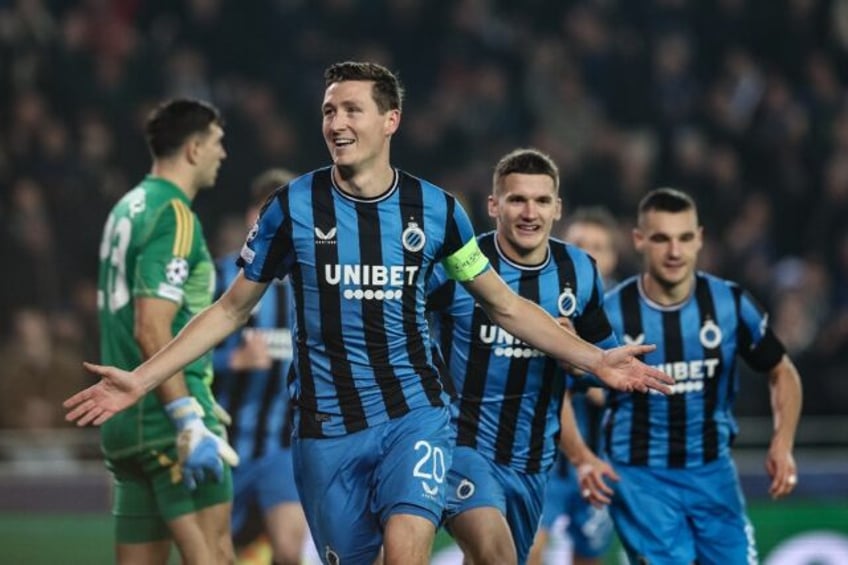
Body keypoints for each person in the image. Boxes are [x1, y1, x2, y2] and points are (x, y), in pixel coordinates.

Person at [65, 61, 672, 565]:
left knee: (407, 550)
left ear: (390, 121)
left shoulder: (436, 211)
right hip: (325, 431)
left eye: (352, 109)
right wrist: (141, 379)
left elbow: (504, 303)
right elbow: (230, 310)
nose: (337, 122)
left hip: (416, 414)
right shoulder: (291, 207)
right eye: (329, 110)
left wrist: (597, 359)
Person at [426, 148, 622, 565]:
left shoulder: (580, 272)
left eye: (541, 201)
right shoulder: (459, 265)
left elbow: (603, 365)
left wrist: (579, 362)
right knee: (497, 557)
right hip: (462, 446)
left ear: (557, 208)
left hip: (533, 463)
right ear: (493, 205)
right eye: (517, 199)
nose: (529, 212)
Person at [601, 187, 802, 563]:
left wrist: (782, 442)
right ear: (639, 240)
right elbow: (564, 388)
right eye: (661, 239)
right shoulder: (611, 315)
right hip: (642, 481)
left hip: (713, 475)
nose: (674, 252)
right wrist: (583, 457)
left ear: (700, 240)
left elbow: (782, 370)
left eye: (684, 238)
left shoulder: (729, 304)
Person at [91, 98, 237, 565]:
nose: (223, 154)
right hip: (169, 422)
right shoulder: (174, 215)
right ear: (194, 149)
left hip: (126, 427)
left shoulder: (126, 208)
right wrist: (187, 416)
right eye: (217, 143)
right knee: (215, 556)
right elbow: (151, 326)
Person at [211, 168, 307, 565]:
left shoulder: (313, 286)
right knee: (214, 555)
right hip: (221, 445)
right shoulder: (218, 278)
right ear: (254, 217)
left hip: (280, 448)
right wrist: (230, 360)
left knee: (288, 550)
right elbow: (178, 357)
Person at [527, 207, 621, 565]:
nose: (589, 253)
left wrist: (581, 359)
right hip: (543, 460)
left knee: (588, 557)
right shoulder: (538, 305)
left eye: (599, 246)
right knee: (528, 549)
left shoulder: (626, 315)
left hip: (600, 461)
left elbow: (626, 389)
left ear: (613, 257)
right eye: (580, 243)